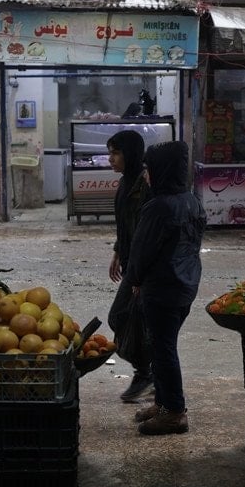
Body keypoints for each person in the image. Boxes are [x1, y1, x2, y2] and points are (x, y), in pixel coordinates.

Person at [123, 140, 205, 436]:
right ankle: (163, 403)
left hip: (162, 288)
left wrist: (134, 279)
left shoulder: (158, 207)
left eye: (149, 169)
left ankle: (174, 412)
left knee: (163, 348)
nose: (146, 175)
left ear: (163, 170)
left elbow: (141, 250)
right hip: (186, 284)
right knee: (161, 346)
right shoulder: (191, 200)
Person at [105, 129, 152, 402]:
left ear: (131, 154)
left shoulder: (144, 185)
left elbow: (146, 232)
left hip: (143, 268)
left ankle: (146, 373)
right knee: (133, 321)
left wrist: (138, 276)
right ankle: (150, 374)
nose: (110, 159)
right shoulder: (126, 182)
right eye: (109, 153)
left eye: (116, 153)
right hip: (132, 262)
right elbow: (125, 224)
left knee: (120, 317)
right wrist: (117, 251)